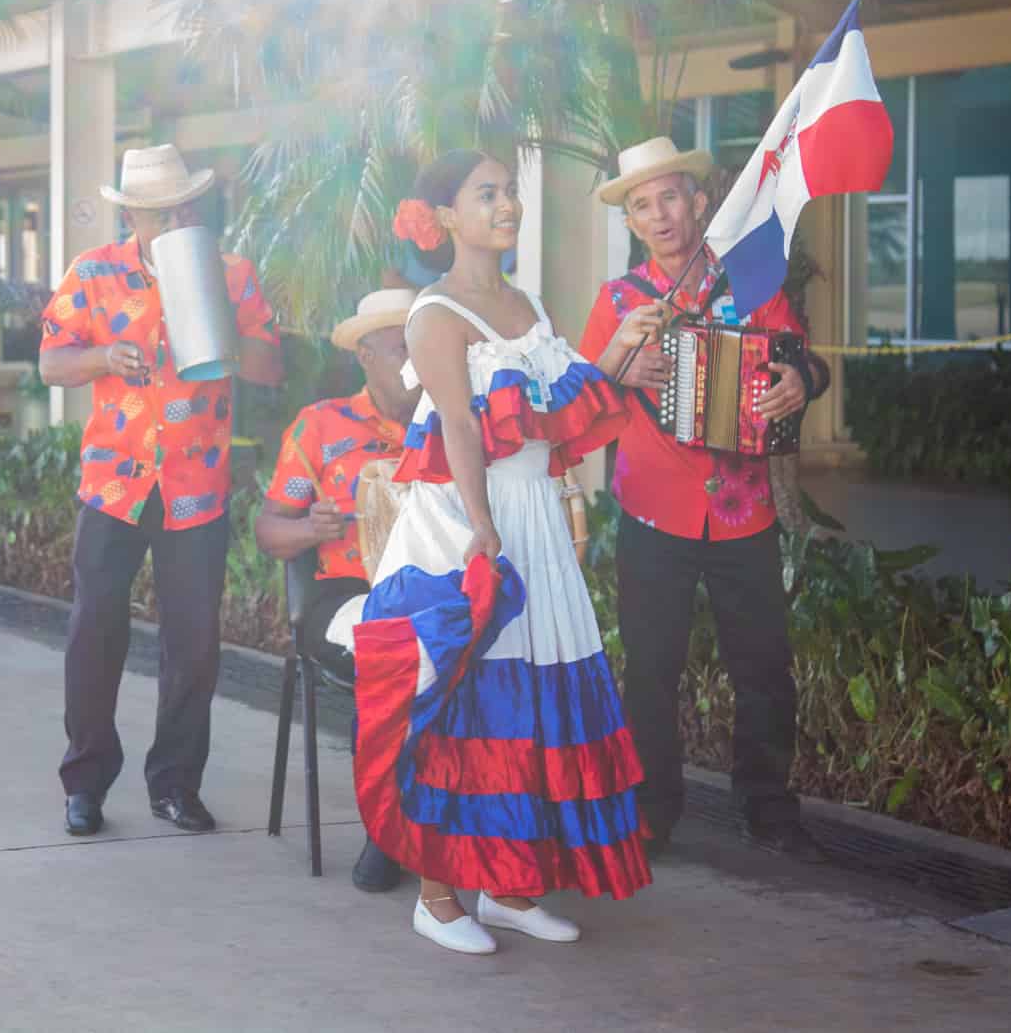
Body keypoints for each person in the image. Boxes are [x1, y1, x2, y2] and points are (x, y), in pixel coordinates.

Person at [336, 149, 647, 956]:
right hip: (470, 523)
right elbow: (462, 428)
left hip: (533, 513)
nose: (506, 204)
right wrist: (484, 527)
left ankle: (509, 887)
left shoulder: (527, 303)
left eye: (509, 192)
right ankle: (438, 897)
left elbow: (559, 407)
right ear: (445, 217)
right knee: (470, 701)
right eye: (488, 194)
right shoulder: (433, 314)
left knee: (534, 695)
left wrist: (620, 355)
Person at [576, 136, 832, 861]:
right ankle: (651, 812)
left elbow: (802, 361)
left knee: (763, 665)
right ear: (631, 222)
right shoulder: (619, 301)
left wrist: (800, 385)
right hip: (653, 510)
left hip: (743, 510)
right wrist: (621, 370)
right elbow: (581, 400)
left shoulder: (750, 280)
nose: (658, 215)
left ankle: (770, 810)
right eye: (641, 205)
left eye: (669, 198)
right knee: (652, 666)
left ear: (696, 201)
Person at [40, 144, 283, 838]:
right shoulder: (94, 272)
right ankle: (84, 782)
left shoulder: (232, 272)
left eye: (179, 207)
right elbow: (52, 361)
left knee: (195, 643)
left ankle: (175, 783)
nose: (169, 220)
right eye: (153, 211)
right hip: (113, 484)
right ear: (134, 215)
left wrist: (217, 310)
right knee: (95, 633)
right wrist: (100, 357)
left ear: (192, 205)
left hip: (196, 486)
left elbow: (270, 367)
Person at [254, 287, 418, 894]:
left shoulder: (452, 419)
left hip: (434, 584)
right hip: (346, 589)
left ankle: (482, 829)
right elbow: (268, 529)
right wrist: (307, 527)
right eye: (401, 347)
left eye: (421, 345)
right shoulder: (322, 425)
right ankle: (388, 829)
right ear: (366, 355)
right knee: (387, 647)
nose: (414, 361)